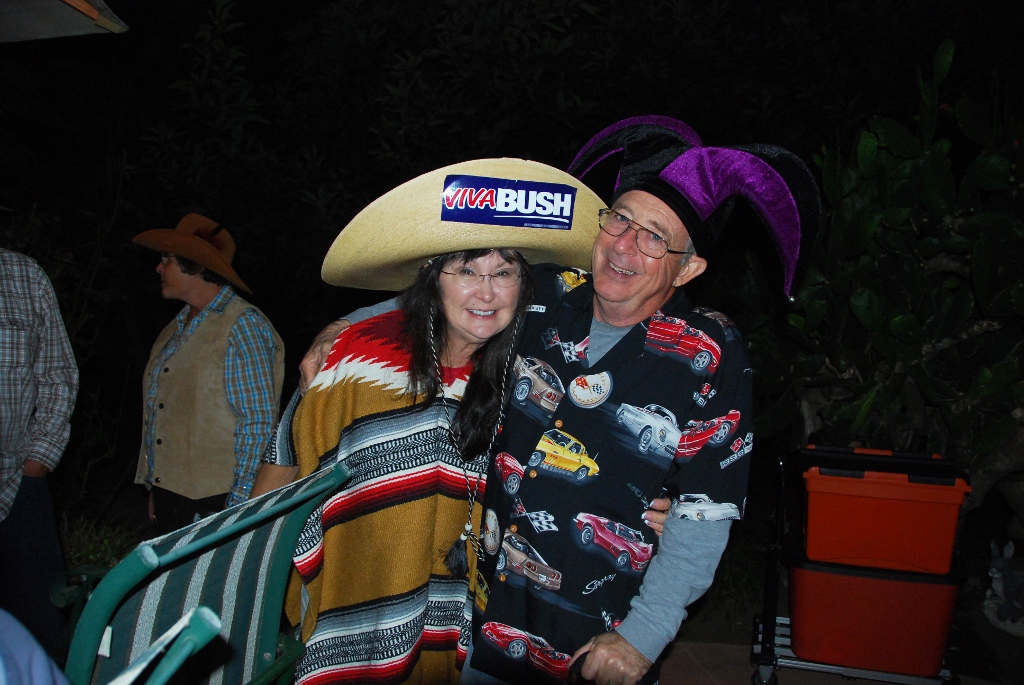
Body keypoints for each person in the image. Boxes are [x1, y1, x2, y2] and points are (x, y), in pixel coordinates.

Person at [301, 117, 821, 685]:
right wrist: (344, 326)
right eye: (619, 219)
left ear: (689, 267)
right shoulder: (548, 294)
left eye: (654, 237)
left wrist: (643, 638)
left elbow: (706, 513)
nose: (624, 245)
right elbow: (452, 296)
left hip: (588, 644)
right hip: (480, 622)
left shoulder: (711, 352)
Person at [256, 158, 605, 685]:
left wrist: (654, 504)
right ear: (431, 277)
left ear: (524, 284)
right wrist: (244, 574)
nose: (486, 292)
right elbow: (285, 460)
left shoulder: (527, 377)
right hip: (354, 606)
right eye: (466, 271)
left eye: (504, 273)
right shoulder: (357, 362)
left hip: (461, 616)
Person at [132, 214, 284, 534]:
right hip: (171, 498)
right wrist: (157, 485)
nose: (159, 268)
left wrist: (238, 509)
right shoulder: (174, 329)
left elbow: (256, 423)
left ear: (195, 266)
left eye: (167, 259)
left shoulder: (242, 325)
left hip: (217, 502)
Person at [0, 248, 79, 664]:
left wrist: (38, 460)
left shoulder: (24, 276)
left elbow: (57, 374)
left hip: (17, 484)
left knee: (42, 627)